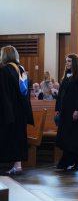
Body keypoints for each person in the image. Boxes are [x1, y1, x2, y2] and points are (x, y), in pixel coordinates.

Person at [54, 53, 78, 171]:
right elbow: (60, 95)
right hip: (65, 114)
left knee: (73, 139)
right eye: (66, 61)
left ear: (75, 63)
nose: (67, 63)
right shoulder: (66, 77)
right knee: (66, 138)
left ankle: (67, 162)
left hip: (76, 114)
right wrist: (57, 109)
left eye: (69, 61)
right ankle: (77, 160)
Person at [0, 45, 33, 175]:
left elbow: (3, 93)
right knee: (19, 137)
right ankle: (18, 165)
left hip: (9, 110)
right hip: (21, 110)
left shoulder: (5, 70)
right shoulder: (21, 69)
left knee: (9, 137)